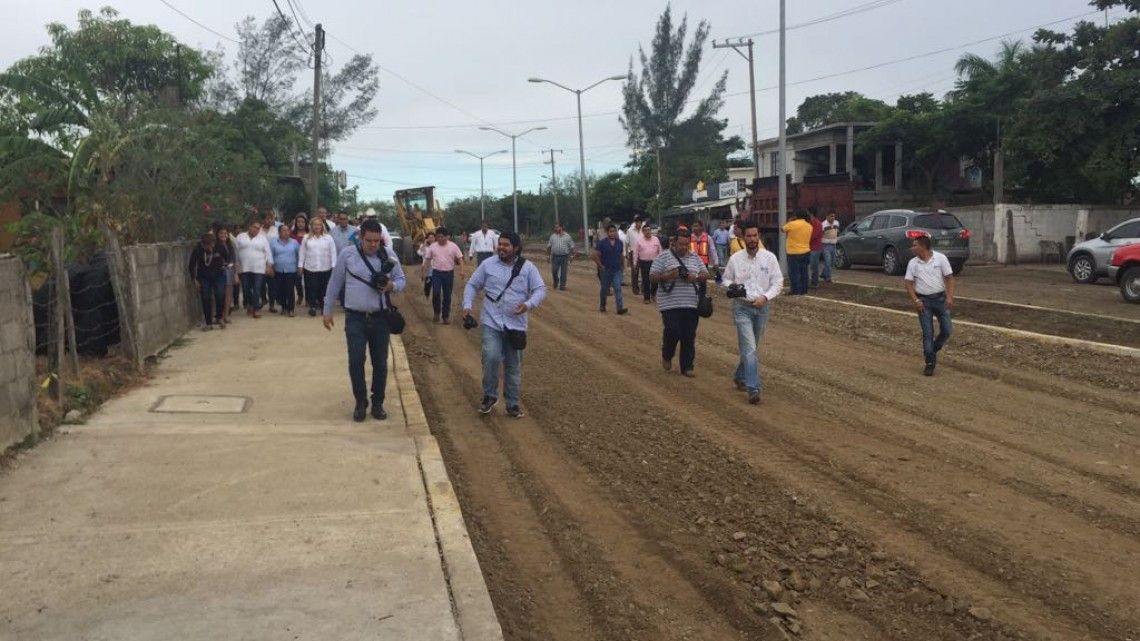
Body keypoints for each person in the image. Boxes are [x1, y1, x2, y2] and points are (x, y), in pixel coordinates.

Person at [323, 220, 406, 422]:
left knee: (380, 363)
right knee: (356, 360)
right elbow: (335, 282)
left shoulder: (389, 256)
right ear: (360, 237)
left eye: (377, 241)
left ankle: (378, 403)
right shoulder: (347, 255)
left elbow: (402, 280)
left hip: (380, 318)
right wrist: (327, 310)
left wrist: (392, 286)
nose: (373, 245)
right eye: (369, 240)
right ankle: (360, 402)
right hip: (355, 318)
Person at [462, 232, 547, 418]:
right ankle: (490, 396)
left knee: (513, 366)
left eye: (506, 245)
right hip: (491, 322)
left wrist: (528, 304)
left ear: (516, 248)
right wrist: (467, 306)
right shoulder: (488, 265)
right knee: (490, 358)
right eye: (500, 244)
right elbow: (472, 285)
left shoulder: (527, 268)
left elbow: (540, 289)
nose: (501, 247)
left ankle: (512, 404)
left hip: (516, 326)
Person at [722, 221, 784, 404]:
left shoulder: (769, 258)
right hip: (742, 308)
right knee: (749, 349)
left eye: (755, 235)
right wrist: (732, 286)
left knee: (752, 348)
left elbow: (778, 282)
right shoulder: (735, 259)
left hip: (762, 309)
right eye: (748, 236)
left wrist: (765, 297)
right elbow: (725, 279)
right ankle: (754, 388)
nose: (752, 239)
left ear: (759, 236)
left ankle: (740, 375)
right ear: (743, 237)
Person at [650, 228, 709, 377]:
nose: (684, 247)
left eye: (686, 244)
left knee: (689, 336)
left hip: (691, 304)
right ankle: (667, 355)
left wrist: (695, 276)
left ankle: (687, 367)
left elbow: (705, 274)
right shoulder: (663, 257)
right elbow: (652, 277)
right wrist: (667, 276)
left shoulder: (694, 257)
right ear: (674, 243)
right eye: (681, 244)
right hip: (670, 304)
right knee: (673, 331)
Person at [903, 235, 955, 376]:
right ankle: (930, 363)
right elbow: (908, 284)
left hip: (940, 299)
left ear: (923, 246)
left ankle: (933, 348)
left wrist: (950, 296)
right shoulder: (913, 263)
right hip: (923, 302)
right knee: (928, 333)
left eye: (915, 245)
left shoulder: (940, 258)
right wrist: (916, 301)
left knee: (947, 330)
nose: (913, 248)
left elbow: (949, 278)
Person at [421, 227, 466, 324]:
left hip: (449, 274)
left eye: (442, 237)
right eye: (438, 237)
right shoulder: (433, 246)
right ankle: (437, 312)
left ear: (447, 237)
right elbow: (427, 260)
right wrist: (424, 273)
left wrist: (462, 270)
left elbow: (460, 258)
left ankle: (445, 316)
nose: (440, 239)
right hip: (436, 273)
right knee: (436, 293)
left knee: (447, 295)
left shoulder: (453, 246)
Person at [188, 231, 228, 331]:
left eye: (212, 245)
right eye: (208, 246)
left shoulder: (219, 247)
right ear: (203, 244)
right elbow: (192, 265)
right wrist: (194, 279)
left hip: (219, 275)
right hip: (204, 276)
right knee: (205, 297)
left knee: (220, 295)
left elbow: (228, 258)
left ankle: (219, 317)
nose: (211, 247)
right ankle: (208, 322)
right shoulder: (198, 249)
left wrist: (225, 266)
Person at [235, 218, 274, 318]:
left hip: (259, 268)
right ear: (249, 227)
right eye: (254, 227)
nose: (256, 230)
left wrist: (269, 265)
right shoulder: (240, 237)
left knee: (257, 288)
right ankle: (249, 304)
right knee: (246, 288)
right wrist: (236, 265)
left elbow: (268, 252)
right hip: (244, 268)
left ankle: (255, 309)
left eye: (258, 228)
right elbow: (235, 252)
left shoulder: (262, 239)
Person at [299, 216, 337, 317]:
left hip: (325, 267)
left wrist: (334, 265)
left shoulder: (328, 238)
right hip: (310, 268)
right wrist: (300, 265)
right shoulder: (306, 237)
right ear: (311, 226)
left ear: (322, 226)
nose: (317, 226)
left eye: (319, 225)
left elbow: (333, 252)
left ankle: (323, 306)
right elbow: (302, 252)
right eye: (315, 225)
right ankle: (312, 306)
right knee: (312, 287)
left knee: (323, 288)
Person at [594, 224, 627, 314]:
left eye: (614, 231)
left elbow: (621, 255)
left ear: (616, 232)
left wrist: (623, 266)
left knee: (618, 288)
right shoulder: (602, 243)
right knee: (604, 289)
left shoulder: (619, 243)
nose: (612, 233)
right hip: (605, 270)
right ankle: (602, 305)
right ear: (607, 232)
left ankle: (620, 308)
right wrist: (600, 266)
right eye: (610, 231)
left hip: (616, 270)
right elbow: (595, 255)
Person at [271, 225, 300, 317]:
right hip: (278, 269)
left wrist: (299, 267)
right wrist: (271, 267)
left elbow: (299, 255)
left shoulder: (294, 242)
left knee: (290, 289)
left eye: (288, 230)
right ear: (279, 232)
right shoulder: (274, 242)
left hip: (291, 269)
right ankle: (284, 307)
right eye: (284, 231)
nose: (286, 232)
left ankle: (291, 309)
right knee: (280, 289)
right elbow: (271, 256)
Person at [782, 210, 813, 295]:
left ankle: (795, 290)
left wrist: (790, 220)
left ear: (796, 216)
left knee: (794, 273)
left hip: (793, 252)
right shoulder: (809, 226)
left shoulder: (792, 224)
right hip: (806, 251)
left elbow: (782, 229)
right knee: (804, 272)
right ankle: (804, 290)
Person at [212, 223, 238, 325]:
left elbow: (234, 260)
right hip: (219, 272)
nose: (223, 235)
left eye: (225, 233)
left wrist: (236, 273)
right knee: (220, 294)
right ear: (217, 234)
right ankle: (219, 315)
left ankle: (226, 315)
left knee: (228, 294)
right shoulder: (214, 245)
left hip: (229, 271)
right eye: (221, 233)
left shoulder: (230, 245)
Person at [634, 222, 663, 304]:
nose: (648, 232)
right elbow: (635, 253)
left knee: (655, 280)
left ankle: (653, 294)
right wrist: (635, 263)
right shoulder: (639, 241)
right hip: (644, 263)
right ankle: (646, 298)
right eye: (646, 230)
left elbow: (660, 251)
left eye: (649, 230)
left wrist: (661, 261)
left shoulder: (656, 239)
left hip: (655, 262)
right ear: (643, 232)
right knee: (645, 280)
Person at [689, 220, 718, 295]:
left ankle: (702, 297)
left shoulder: (708, 238)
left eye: (696, 226)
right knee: (693, 281)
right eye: (693, 226)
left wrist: (716, 262)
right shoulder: (689, 238)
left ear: (701, 227)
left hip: (703, 264)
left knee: (702, 282)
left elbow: (713, 250)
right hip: (692, 263)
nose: (694, 228)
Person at [546, 221, 575, 291]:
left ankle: (562, 285)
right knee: (554, 270)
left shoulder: (567, 236)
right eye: (555, 227)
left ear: (561, 227)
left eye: (557, 227)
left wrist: (571, 256)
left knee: (564, 272)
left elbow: (572, 247)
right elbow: (549, 246)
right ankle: (556, 280)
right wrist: (548, 256)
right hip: (555, 256)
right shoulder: (552, 236)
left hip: (564, 256)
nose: (555, 228)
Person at [625, 215, 646, 295]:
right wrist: (627, 254)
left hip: (643, 252)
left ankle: (644, 288)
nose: (639, 224)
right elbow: (626, 243)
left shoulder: (643, 231)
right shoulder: (630, 231)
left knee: (644, 271)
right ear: (635, 222)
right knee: (635, 271)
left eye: (640, 222)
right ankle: (635, 289)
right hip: (633, 253)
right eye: (638, 222)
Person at [290, 214, 308, 303]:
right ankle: (300, 294)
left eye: (303, 222)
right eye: (299, 222)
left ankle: (309, 299)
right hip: (295, 259)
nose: (300, 224)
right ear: (296, 223)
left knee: (309, 280)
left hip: (308, 259)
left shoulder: (309, 234)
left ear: (306, 223)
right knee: (297, 279)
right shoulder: (291, 234)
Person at [821, 210, 841, 283]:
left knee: (832, 262)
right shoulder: (823, 224)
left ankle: (824, 273)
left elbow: (837, 231)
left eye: (834, 216)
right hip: (826, 245)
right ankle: (828, 277)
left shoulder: (836, 223)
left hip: (833, 244)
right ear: (827, 217)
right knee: (828, 261)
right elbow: (821, 234)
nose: (833, 218)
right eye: (831, 216)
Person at [808, 208, 824, 289]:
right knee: (811, 266)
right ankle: (811, 282)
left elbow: (814, 235)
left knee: (814, 266)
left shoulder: (817, 223)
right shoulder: (811, 222)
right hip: (811, 247)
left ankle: (814, 283)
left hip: (815, 247)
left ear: (811, 214)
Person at [418, 231, 437, 299]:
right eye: (429, 237)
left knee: (436, 283)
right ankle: (427, 296)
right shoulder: (423, 246)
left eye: (432, 237)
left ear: (435, 238)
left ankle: (435, 297)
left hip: (436, 267)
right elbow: (420, 253)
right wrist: (424, 244)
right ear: (427, 238)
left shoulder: (438, 246)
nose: (431, 239)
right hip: (426, 267)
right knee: (428, 283)